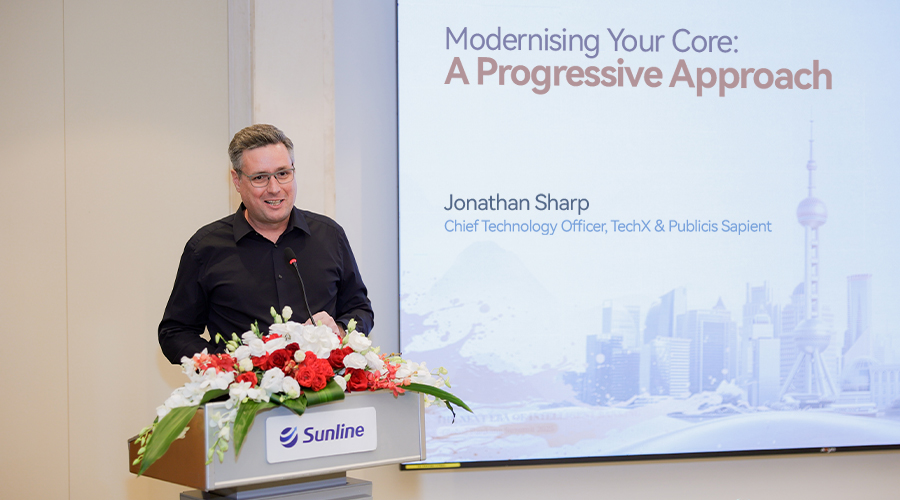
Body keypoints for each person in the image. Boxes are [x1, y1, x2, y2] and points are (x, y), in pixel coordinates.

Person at [158, 124, 373, 364]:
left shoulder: (329, 236)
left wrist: (340, 330)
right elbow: (175, 333)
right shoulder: (205, 248)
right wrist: (224, 365)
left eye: (283, 174)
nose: (274, 188)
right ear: (237, 180)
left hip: (322, 385)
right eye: (260, 177)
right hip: (241, 386)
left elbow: (360, 309)